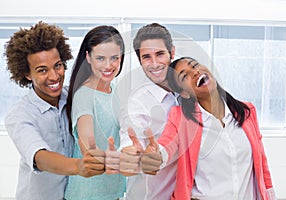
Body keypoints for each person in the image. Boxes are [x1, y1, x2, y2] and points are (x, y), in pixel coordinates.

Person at [140, 56, 277, 200]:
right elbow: (166, 145)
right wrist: (155, 157)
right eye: (185, 76)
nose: (195, 72)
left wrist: (270, 195)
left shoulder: (247, 111)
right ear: (185, 93)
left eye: (195, 65)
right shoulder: (180, 118)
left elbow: (262, 162)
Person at [4, 21, 105, 200]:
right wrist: (78, 166)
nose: (54, 76)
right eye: (42, 70)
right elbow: (40, 157)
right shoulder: (19, 115)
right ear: (27, 74)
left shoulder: (74, 97)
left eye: (57, 65)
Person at [64, 25, 126, 200]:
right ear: (88, 58)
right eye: (100, 58)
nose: (108, 65)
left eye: (114, 58)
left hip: (111, 192)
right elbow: (88, 149)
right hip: (87, 194)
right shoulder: (84, 95)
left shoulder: (114, 91)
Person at [118, 23, 179, 199]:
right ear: (140, 61)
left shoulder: (187, 95)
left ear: (172, 52)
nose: (154, 63)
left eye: (160, 54)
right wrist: (129, 154)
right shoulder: (137, 103)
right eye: (146, 57)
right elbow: (129, 136)